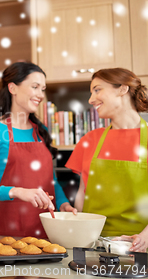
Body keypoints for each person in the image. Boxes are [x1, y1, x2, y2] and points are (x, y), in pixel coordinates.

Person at [0, 62, 77, 238]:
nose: (40, 95)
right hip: (8, 235)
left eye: (43, 89)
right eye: (35, 87)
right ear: (12, 88)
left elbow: (52, 181)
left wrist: (64, 204)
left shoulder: (41, 131)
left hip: (48, 232)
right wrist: (17, 191)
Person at [66, 68, 148, 252]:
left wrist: (146, 237)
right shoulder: (89, 140)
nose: (91, 99)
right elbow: (82, 192)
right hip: (92, 243)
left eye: (97, 90)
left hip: (139, 245)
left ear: (122, 89)